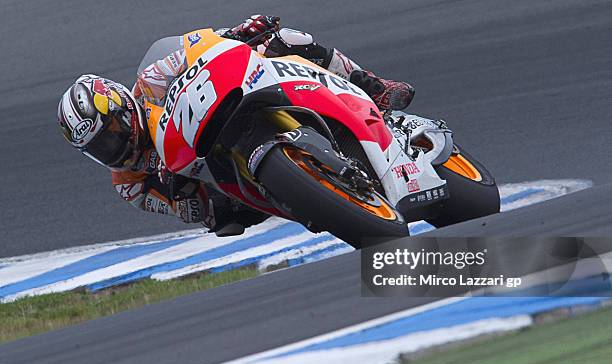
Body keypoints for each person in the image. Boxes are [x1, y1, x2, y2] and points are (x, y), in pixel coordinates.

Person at [57, 15, 415, 236]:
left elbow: (202, 46)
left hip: (229, 100)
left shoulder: (152, 80)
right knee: (225, 218)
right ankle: (317, 199)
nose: (114, 147)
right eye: (100, 148)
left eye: (113, 133)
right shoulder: (129, 183)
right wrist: (184, 202)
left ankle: (375, 87)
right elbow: (185, 211)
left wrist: (240, 32)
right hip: (221, 177)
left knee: (287, 39)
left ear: (123, 106)